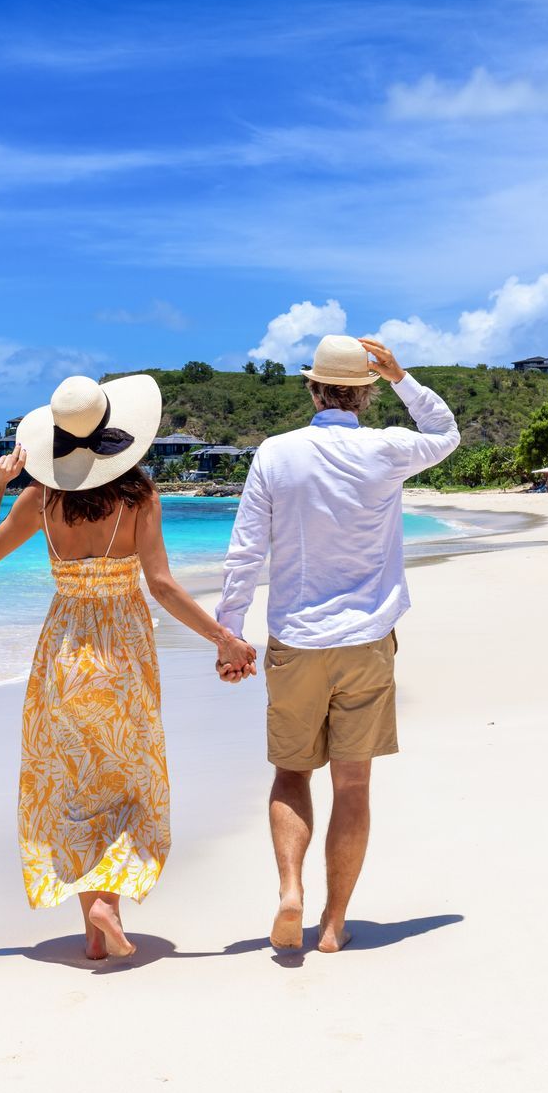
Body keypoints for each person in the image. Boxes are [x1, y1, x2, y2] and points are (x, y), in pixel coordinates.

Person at [0, 373, 255, 959]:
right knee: (129, 783)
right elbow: (163, 587)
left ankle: (94, 934)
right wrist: (223, 639)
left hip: (62, 655)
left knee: (75, 786)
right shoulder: (138, 499)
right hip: (123, 655)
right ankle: (105, 905)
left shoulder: (42, 500)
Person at [216, 335, 460, 952]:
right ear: (366, 393)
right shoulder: (387, 448)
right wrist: (403, 378)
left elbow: (247, 550)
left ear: (312, 386)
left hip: (295, 640)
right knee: (353, 784)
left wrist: (229, 632)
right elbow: (445, 431)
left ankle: (291, 892)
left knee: (291, 774)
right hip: (367, 640)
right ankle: (331, 924)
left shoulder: (276, 454)